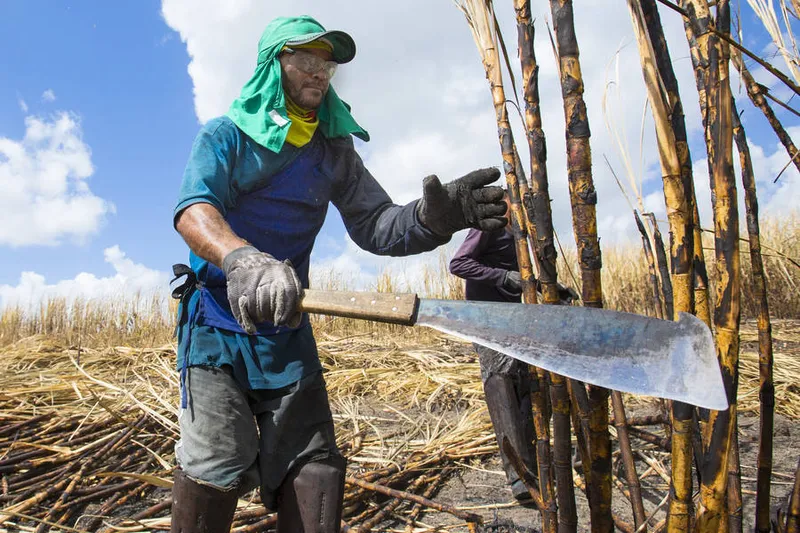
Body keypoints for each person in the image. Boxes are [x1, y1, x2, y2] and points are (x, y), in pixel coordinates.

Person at [170, 15, 508, 533]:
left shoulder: (333, 151)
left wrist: (433, 218)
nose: (320, 72)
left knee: (315, 469)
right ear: (272, 66)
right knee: (218, 460)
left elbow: (376, 224)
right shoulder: (227, 136)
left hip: (286, 327)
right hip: (217, 326)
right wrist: (242, 259)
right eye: (305, 58)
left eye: (326, 63)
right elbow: (195, 210)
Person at [448, 198, 577, 505]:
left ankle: (535, 462)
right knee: (501, 382)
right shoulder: (490, 225)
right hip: (486, 321)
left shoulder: (525, 236)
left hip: (514, 321)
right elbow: (458, 264)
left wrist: (554, 289)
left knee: (526, 384)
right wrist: (503, 277)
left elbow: (525, 278)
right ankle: (518, 476)